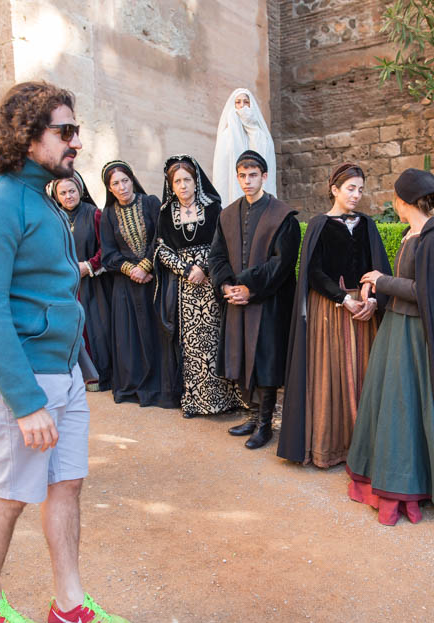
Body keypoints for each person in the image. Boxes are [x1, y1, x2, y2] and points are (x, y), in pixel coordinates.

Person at [0, 81, 132, 623]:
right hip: (22, 382)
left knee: (67, 486)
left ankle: (70, 605)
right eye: (66, 130)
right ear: (27, 135)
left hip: (63, 373)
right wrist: (27, 401)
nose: (76, 141)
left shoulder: (41, 195)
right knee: (9, 494)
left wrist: (74, 369)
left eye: (75, 130)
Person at [345, 168, 434, 525]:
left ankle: (405, 485)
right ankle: (381, 476)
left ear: (403, 201)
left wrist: (382, 280)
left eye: (395, 198)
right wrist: (377, 289)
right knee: (388, 406)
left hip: (414, 335)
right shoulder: (411, 234)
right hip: (395, 330)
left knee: (406, 409)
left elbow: (426, 292)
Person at [278, 163, 391, 468]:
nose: (356, 195)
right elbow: (313, 273)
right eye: (350, 188)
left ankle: (362, 448)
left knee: (363, 373)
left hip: (363, 311)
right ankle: (330, 447)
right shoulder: (319, 224)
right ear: (335, 190)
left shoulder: (367, 225)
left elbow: (379, 268)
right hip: (330, 310)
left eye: (360, 189)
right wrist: (343, 299)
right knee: (332, 375)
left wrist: (373, 300)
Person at [209, 149, 301, 450]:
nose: (247, 181)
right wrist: (226, 286)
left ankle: (264, 424)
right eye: (242, 176)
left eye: (252, 175)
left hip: (268, 302)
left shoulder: (283, 216)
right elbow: (217, 256)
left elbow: (282, 264)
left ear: (264, 176)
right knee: (241, 356)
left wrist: (249, 287)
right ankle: (251, 416)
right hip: (236, 300)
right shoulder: (227, 215)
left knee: (265, 360)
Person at [154, 155, 244, 418]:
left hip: (213, 282)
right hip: (185, 288)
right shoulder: (165, 213)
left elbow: (224, 242)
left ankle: (228, 399)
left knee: (218, 338)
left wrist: (204, 268)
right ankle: (195, 402)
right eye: (177, 181)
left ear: (196, 182)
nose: (182, 185)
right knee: (192, 344)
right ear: (171, 185)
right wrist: (186, 269)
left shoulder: (213, 208)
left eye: (187, 180)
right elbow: (161, 250)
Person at [99, 160, 179, 407]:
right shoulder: (108, 215)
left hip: (154, 279)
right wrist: (131, 270)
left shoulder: (151, 203)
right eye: (115, 184)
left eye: (125, 180)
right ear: (109, 188)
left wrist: (145, 266)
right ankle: (134, 386)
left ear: (132, 180)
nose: (122, 187)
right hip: (125, 285)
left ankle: (162, 388)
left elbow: (161, 237)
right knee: (130, 336)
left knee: (157, 333)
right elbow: (108, 254)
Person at [48, 171, 116, 393]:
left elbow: (106, 247)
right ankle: (73, 376)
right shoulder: (53, 218)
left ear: (80, 191)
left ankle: (98, 376)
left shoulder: (94, 214)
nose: (68, 196)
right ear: (56, 196)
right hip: (63, 285)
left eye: (72, 191)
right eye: (63, 193)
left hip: (92, 284)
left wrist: (88, 266)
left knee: (96, 329)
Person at [212, 89, 278, 207]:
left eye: (246, 102)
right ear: (233, 105)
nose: (242, 106)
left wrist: (251, 126)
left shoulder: (260, 133)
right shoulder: (226, 135)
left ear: (251, 105)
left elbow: (264, 155)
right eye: (238, 102)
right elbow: (222, 170)